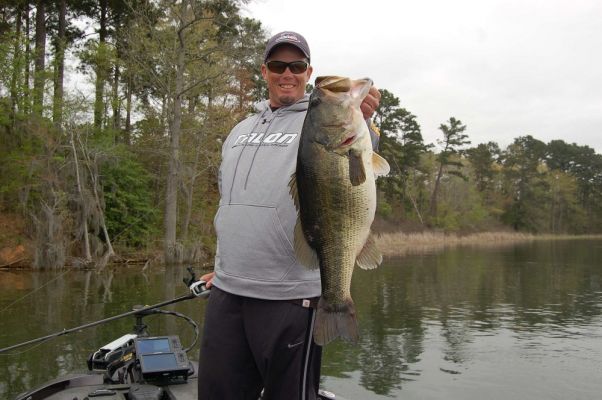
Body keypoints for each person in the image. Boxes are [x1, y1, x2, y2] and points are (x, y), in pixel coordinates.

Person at [197, 31, 381, 400]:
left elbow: (359, 157)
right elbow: (232, 204)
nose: (287, 73)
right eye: (278, 65)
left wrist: (366, 120)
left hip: (290, 296)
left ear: (308, 72)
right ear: (264, 71)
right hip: (229, 291)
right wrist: (226, 265)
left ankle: (336, 301)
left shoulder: (314, 124)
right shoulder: (238, 131)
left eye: (296, 66)